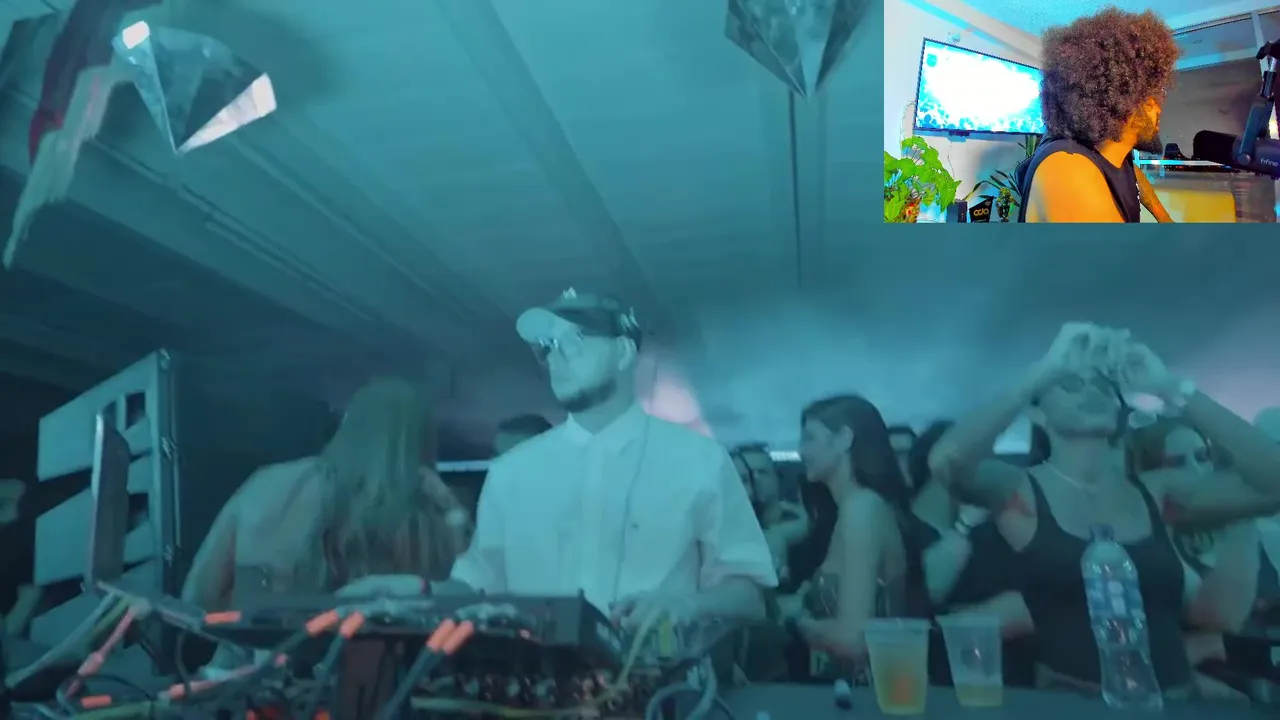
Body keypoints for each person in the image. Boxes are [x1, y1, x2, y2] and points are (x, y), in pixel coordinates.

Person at [930, 323, 1280, 697]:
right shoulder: (1021, 491)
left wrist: (1172, 387)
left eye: (1103, 385)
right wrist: (1040, 374)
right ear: (1039, 415)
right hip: (1071, 703)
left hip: (1174, 701)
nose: (1091, 393)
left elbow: (1272, 484)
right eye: (1070, 385)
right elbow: (948, 461)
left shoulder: (1156, 493)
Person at [437, 290, 775, 627]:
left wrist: (687, 605)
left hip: (659, 660)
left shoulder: (700, 460)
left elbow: (749, 595)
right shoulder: (510, 473)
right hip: (537, 662)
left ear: (623, 352)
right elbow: (475, 582)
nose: (555, 357)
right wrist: (423, 593)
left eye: (574, 340)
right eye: (548, 345)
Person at [182, 377, 469, 617]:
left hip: (254, 664)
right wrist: (450, 505)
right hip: (361, 665)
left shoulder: (264, 485)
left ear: (348, 424)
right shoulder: (424, 517)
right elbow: (467, 599)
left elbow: (197, 598)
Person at [781, 395, 928, 683]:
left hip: (868, 694)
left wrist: (797, 623)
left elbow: (854, 639)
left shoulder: (862, 510)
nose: (801, 451)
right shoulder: (858, 509)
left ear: (844, 439)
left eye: (810, 438)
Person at [1129, 417, 1262, 701]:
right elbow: (1220, 617)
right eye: (1177, 463)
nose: (1197, 471)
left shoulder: (1221, 528)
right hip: (1207, 679)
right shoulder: (1153, 538)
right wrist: (1243, 511)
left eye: (1202, 457)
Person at [1019, 8, 1179, 223]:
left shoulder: (1114, 151)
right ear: (1120, 100)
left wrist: (1163, 217)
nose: (1158, 108)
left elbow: (1134, 177)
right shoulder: (1069, 168)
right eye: (1150, 100)